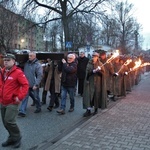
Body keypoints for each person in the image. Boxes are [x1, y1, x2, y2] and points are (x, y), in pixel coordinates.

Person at [0, 54, 29, 148]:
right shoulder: (2, 72)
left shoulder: (18, 72)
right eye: (4, 60)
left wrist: (20, 97)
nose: (5, 61)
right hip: (3, 100)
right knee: (5, 122)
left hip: (12, 101)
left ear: (13, 61)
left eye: (8, 60)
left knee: (9, 121)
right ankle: (12, 138)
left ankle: (17, 137)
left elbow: (25, 85)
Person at [18, 51, 43, 117]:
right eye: (29, 56)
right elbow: (20, 66)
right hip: (26, 84)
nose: (29, 57)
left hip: (34, 84)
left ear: (34, 56)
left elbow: (40, 75)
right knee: (25, 97)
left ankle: (38, 107)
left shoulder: (38, 65)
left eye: (31, 56)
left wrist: (36, 84)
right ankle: (22, 111)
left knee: (36, 96)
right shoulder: (26, 63)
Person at [83, 52, 107, 117]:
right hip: (90, 82)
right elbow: (87, 73)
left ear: (97, 57)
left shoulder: (100, 64)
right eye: (93, 56)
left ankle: (96, 109)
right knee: (88, 96)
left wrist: (99, 71)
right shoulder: (89, 64)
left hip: (98, 83)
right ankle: (88, 110)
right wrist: (92, 71)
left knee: (96, 96)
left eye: (95, 56)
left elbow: (103, 74)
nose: (93, 57)